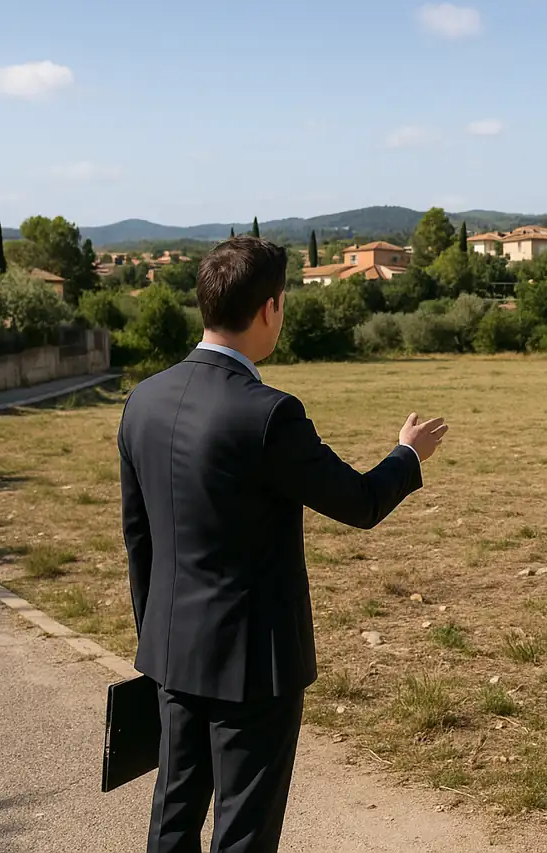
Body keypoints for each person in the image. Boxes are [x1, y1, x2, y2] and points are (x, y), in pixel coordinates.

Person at [118, 236, 447, 853]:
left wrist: (154, 636)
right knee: (244, 832)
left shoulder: (143, 400)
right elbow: (359, 502)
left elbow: (138, 538)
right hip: (254, 665)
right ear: (269, 308)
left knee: (172, 818)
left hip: (169, 648)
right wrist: (407, 454)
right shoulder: (268, 413)